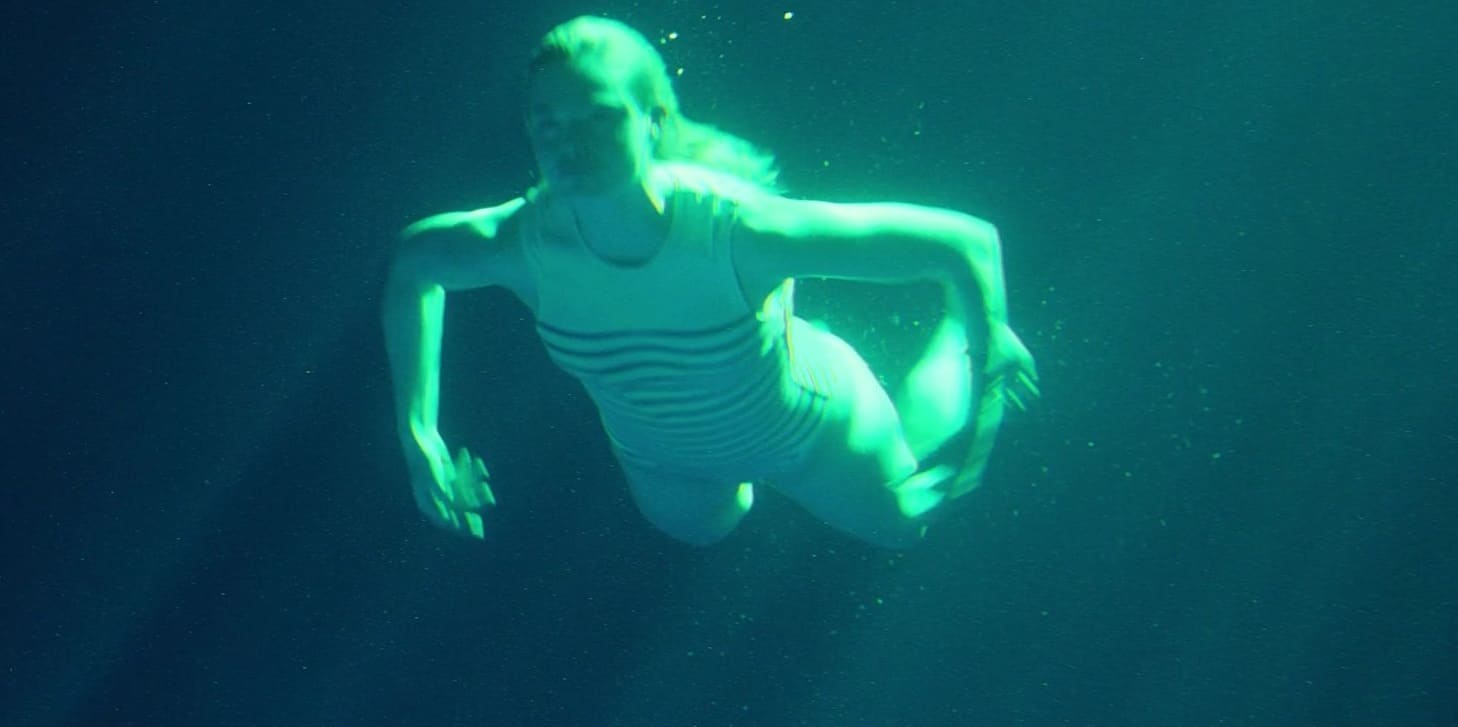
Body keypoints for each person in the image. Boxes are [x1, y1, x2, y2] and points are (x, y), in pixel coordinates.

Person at [383, 15, 1038, 549]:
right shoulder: (520, 244)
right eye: (549, 123)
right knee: (704, 530)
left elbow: (965, 241)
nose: (569, 144)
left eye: (598, 118)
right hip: (663, 464)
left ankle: (949, 339)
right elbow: (413, 267)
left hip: (808, 433)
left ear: (653, 121)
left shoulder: (737, 229)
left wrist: (988, 337)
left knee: (903, 522)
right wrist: (419, 436)